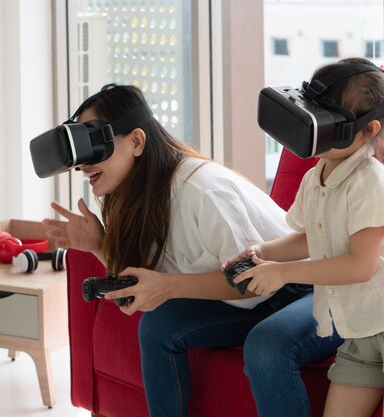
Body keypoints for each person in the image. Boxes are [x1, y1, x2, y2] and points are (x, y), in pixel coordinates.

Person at [43, 83, 342, 417]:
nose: (85, 165)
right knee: (157, 327)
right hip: (256, 297)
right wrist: (99, 246)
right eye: (83, 154)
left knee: (267, 347)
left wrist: (169, 287)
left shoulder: (201, 191)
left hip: (311, 284)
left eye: (95, 145)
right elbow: (147, 282)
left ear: (137, 141)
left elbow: (249, 279)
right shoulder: (136, 198)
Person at [226, 57, 384, 417]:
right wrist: (262, 252)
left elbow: (360, 266)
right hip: (360, 330)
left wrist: (283, 273)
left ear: (367, 129)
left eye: (328, 120)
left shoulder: (369, 182)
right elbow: (309, 238)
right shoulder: (315, 177)